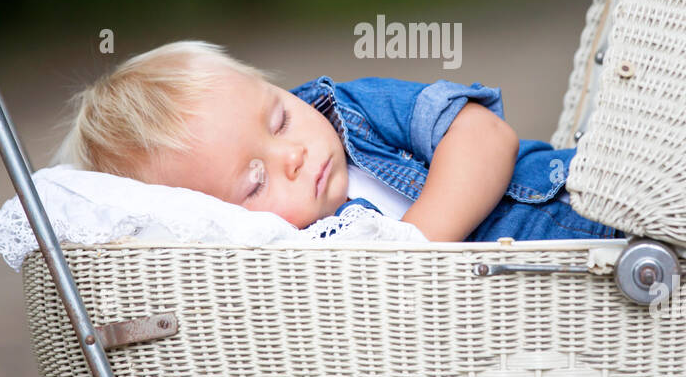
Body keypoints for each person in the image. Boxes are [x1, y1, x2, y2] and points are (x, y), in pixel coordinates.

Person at [51, 40, 625, 242]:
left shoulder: (348, 110)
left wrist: (412, 246)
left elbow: (486, 136)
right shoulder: (297, 261)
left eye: (278, 120)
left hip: (594, 207)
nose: (293, 155)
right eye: (255, 182)